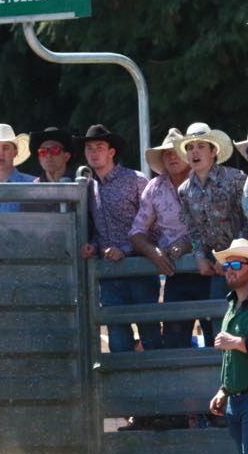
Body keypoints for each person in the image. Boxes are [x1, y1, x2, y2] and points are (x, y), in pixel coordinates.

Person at [78, 124, 161, 352]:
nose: (94, 152)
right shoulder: (88, 186)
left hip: (139, 268)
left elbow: (153, 227)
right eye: (89, 148)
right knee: (117, 336)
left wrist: (124, 249)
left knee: (150, 332)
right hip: (109, 274)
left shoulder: (136, 180)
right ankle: (122, 385)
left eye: (99, 147)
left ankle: (158, 383)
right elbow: (97, 231)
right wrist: (92, 246)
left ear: (111, 152)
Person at [129, 128, 208, 349]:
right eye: (166, 153)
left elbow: (216, 227)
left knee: (216, 338)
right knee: (175, 340)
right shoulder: (155, 187)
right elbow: (136, 231)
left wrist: (186, 244)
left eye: (176, 151)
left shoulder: (204, 179)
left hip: (210, 269)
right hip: (176, 274)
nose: (172, 156)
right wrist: (153, 252)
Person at [177, 122, 248, 340]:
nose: (194, 152)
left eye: (200, 146)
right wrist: (199, 257)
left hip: (242, 261)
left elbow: (247, 221)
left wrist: (229, 257)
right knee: (220, 325)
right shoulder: (184, 191)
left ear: (213, 151)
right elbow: (193, 231)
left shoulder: (236, 179)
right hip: (216, 267)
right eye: (189, 148)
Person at [207, 239, 248, 454]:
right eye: (227, 265)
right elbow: (232, 360)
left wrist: (238, 342)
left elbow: (236, 349)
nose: (229, 270)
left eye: (237, 264)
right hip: (237, 400)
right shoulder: (233, 305)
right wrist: (223, 389)